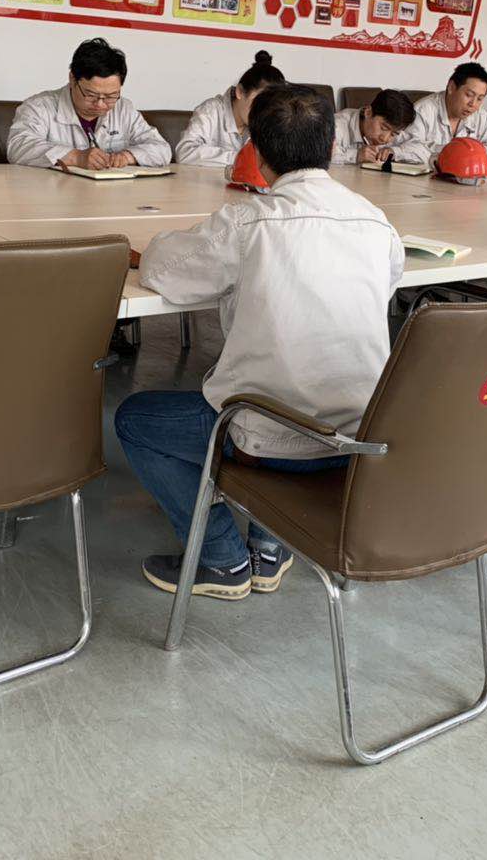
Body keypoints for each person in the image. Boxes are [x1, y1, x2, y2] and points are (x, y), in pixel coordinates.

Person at [115, 85, 404, 600]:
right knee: (299, 382)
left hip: (269, 437)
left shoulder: (249, 221)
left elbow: (164, 270)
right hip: (360, 437)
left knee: (136, 420)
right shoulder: (377, 223)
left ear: (257, 154)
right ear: (332, 145)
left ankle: (220, 557)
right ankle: (271, 548)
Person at [6, 37, 170, 170]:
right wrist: (76, 157)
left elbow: (162, 149)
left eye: (111, 96)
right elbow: (18, 147)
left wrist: (128, 156)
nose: (100, 105)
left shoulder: (123, 109)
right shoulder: (39, 107)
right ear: (72, 79)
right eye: (91, 95)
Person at [175, 50, 285, 166]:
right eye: (259, 102)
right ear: (240, 92)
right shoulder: (211, 111)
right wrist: (240, 158)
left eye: (271, 105)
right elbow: (185, 152)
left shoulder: (270, 120)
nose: (263, 111)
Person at [403, 62, 487, 162]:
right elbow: (409, 148)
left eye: (479, 99)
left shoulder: (479, 115)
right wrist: (456, 152)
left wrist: (471, 154)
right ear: (451, 87)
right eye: (469, 95)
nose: (473, 104)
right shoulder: (422, 111)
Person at [330, 88, 426, 165]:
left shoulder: (395, 130)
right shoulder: (336, 124)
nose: (385, 139)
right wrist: (356, 155)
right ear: (368, 112)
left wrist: (395, 152)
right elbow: (321, 155)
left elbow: (424, 150)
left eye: (393, 134)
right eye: (384, 128)